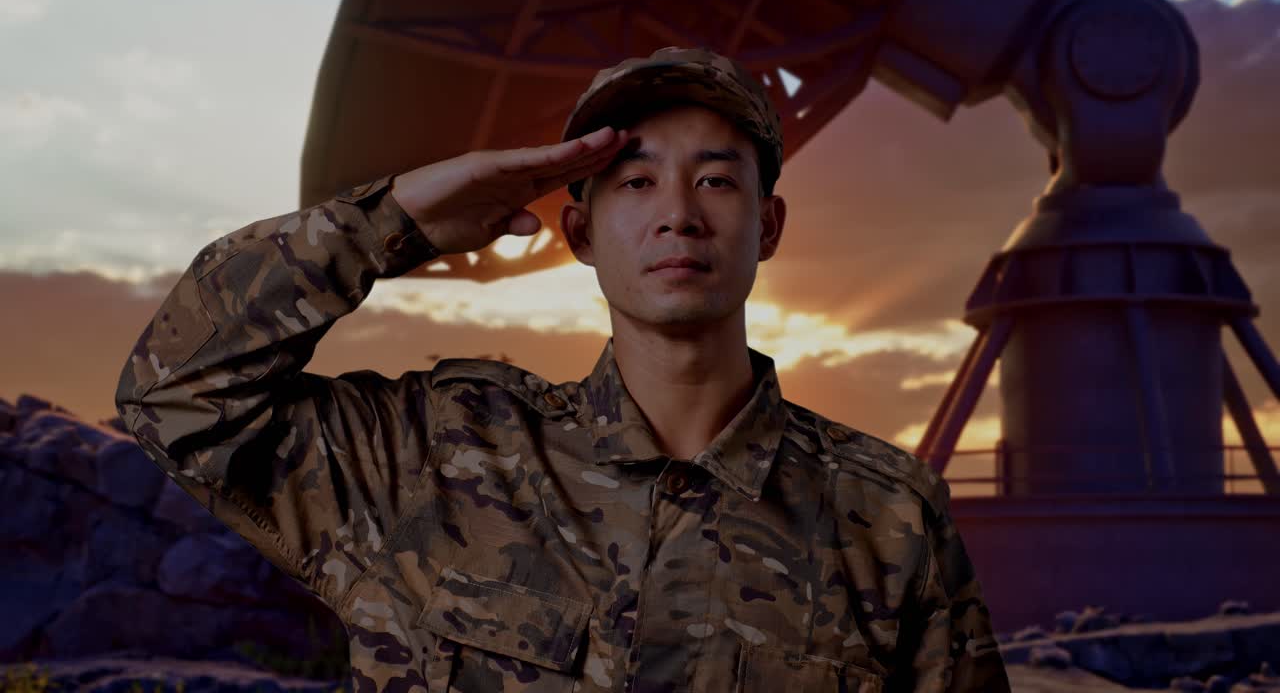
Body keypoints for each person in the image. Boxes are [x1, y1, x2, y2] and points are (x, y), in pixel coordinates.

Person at [115, 46, 1010, 692]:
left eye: (717, 180)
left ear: (768, 227)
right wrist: (397, 217)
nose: (677, 215)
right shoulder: (433, 459)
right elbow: (174, 395)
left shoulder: (886, 515)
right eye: (633, 181)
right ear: (579, 232)